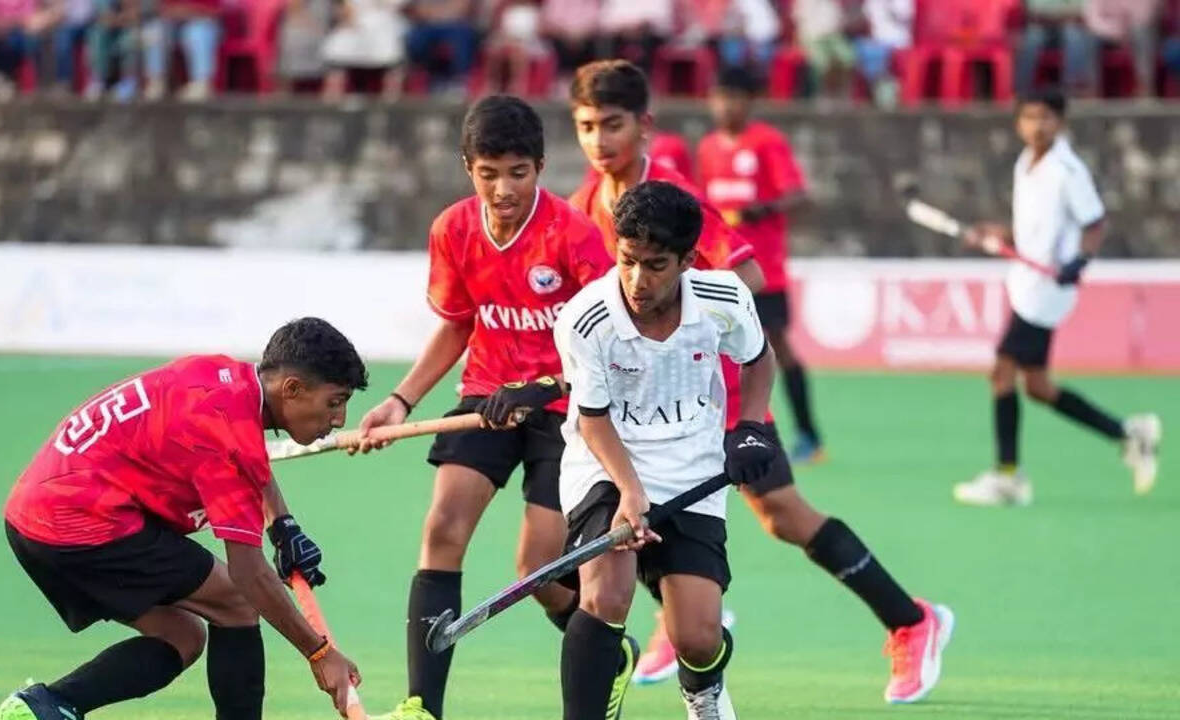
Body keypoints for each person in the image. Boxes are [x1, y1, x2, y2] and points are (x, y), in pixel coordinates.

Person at [567, 59, 954, 704]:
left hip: (712, 391)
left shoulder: (674, 198)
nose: (600, 141)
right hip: (639, 408)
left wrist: (675, 336)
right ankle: (682, 612)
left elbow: (744, 283)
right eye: (587, 127)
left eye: (614, 125)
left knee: (780, 513)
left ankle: (912, 620)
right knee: (618, 512)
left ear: (645, 127)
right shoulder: (584, 203)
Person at [356, 95, 618, 720]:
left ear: (540, 167)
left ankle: (609, 653)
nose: (503, 188)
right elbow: (456, 326)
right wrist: (399, 401)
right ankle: (422, 706)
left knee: (537, 568)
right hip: (487, 399)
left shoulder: (574, 237)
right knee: (442, 529)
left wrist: (547, 386)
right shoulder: (452, 230)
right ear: (467, 167)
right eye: (488, 172)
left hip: (569, 411)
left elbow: (610, 343)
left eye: (518, 172)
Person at [0, 318, 369, 720]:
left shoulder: (222, 378)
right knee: (237, 600)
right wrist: (319, 653)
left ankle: (47, 705)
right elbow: (250, 574)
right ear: (292, 389)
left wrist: (283, 524)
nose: (340, 420)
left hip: (34, 515)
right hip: (80, 522)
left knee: (181, 637)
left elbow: (247, 457)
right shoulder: (229, 438)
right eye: (334, 402)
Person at [554, 180, 772, 720]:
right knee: (606, 597)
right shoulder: (587, 320)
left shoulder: (724, 299)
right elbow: (593, 419)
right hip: (606, 462)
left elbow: (758, 358)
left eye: (654, 265)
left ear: (687, 261)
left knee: (696, 638)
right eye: (627, 260)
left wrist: (750, 427)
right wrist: (630, 492)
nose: (636, 279)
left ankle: (703, 692)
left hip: (693, 469)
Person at [954, 88, 1161, 506]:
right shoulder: (1025, 164)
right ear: (1018, 123)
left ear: (1061, 122)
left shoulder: (1068, 171)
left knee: (1001, 373)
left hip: (1048, 290)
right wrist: (996, 234)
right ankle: (1129, 434)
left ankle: (1008, 476)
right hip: (1025, 282)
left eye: (1046, 117)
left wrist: (1079, 262)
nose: (1037, 125)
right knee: (1037, 386)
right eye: (1029, 117)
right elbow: (1030, 229)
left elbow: (1094, 221)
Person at [697, 66, 824, 464]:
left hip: (763, 270)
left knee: (776, 348)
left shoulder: (767, 142)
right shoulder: (708, 148)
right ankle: (720, 429)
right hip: (723, 272)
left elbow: (799, 195)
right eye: (719, 96)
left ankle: (808, 434)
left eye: (733, 97)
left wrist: (764, 209)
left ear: (749, 102)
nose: (725, 105)